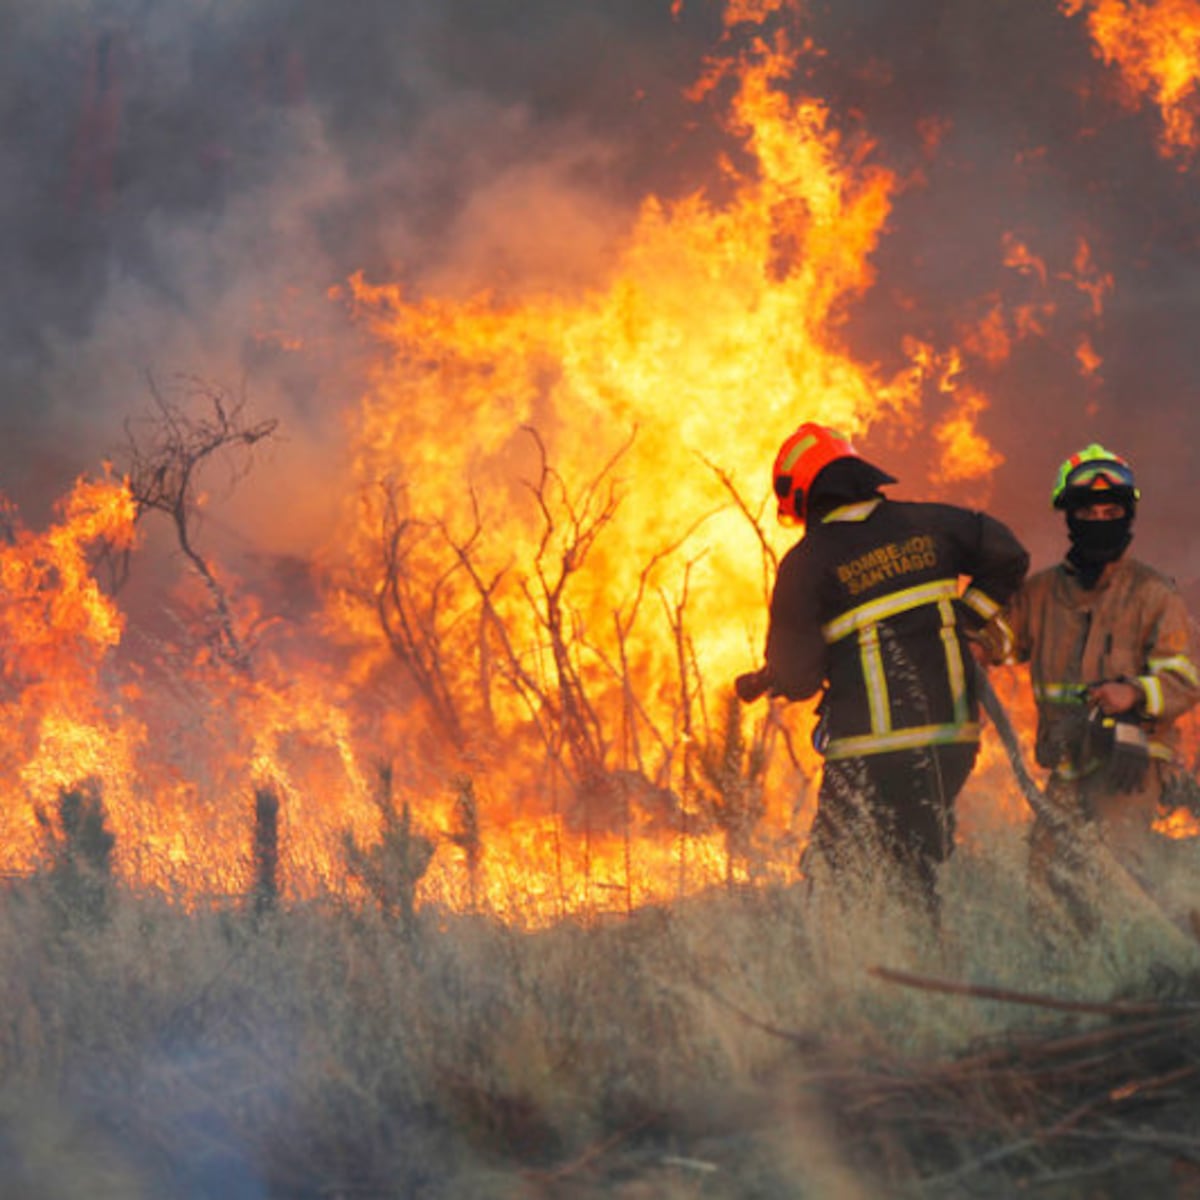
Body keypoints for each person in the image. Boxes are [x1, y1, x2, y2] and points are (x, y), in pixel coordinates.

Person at [736, 422, 1030, 916]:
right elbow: (1008, 555)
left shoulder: (807, 563)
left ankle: (880, 957)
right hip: (953, 741)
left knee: (835, 880)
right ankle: (927, 949)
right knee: (912, 871)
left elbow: (798, 678)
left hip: (874, 751)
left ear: (803, 494)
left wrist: (782, 673)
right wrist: (968, 617)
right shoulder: (931, 522)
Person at [979, 443, 1200, 932]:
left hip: (1130, 762)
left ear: (1127, 517)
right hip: (1068, 764)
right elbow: (1000, 641)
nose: (1100, 521)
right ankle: (1066, 968)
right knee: (1045, 876)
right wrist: (972, 643)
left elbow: (1184, 680)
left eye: (1111, 513)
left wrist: (1134, 693)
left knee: (1117, 872)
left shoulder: (1153, 593)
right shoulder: (1041, 593)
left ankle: (1150, 960)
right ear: (1070, 517)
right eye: (1089, 513)